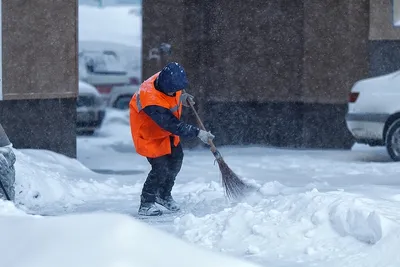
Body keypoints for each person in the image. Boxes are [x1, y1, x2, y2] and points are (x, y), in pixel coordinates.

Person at [129, 62, 215, 216]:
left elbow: (173, 97)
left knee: (176, 160)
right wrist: (198, 133)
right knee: (160, 167)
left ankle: (163, 194)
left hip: (166, 132)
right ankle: (146, 203)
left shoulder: (168, 79)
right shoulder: (150, 99)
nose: (174, 93)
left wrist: (181, 96)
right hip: (149, 134)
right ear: (163, 85)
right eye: (172, 91)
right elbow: (171, 124)